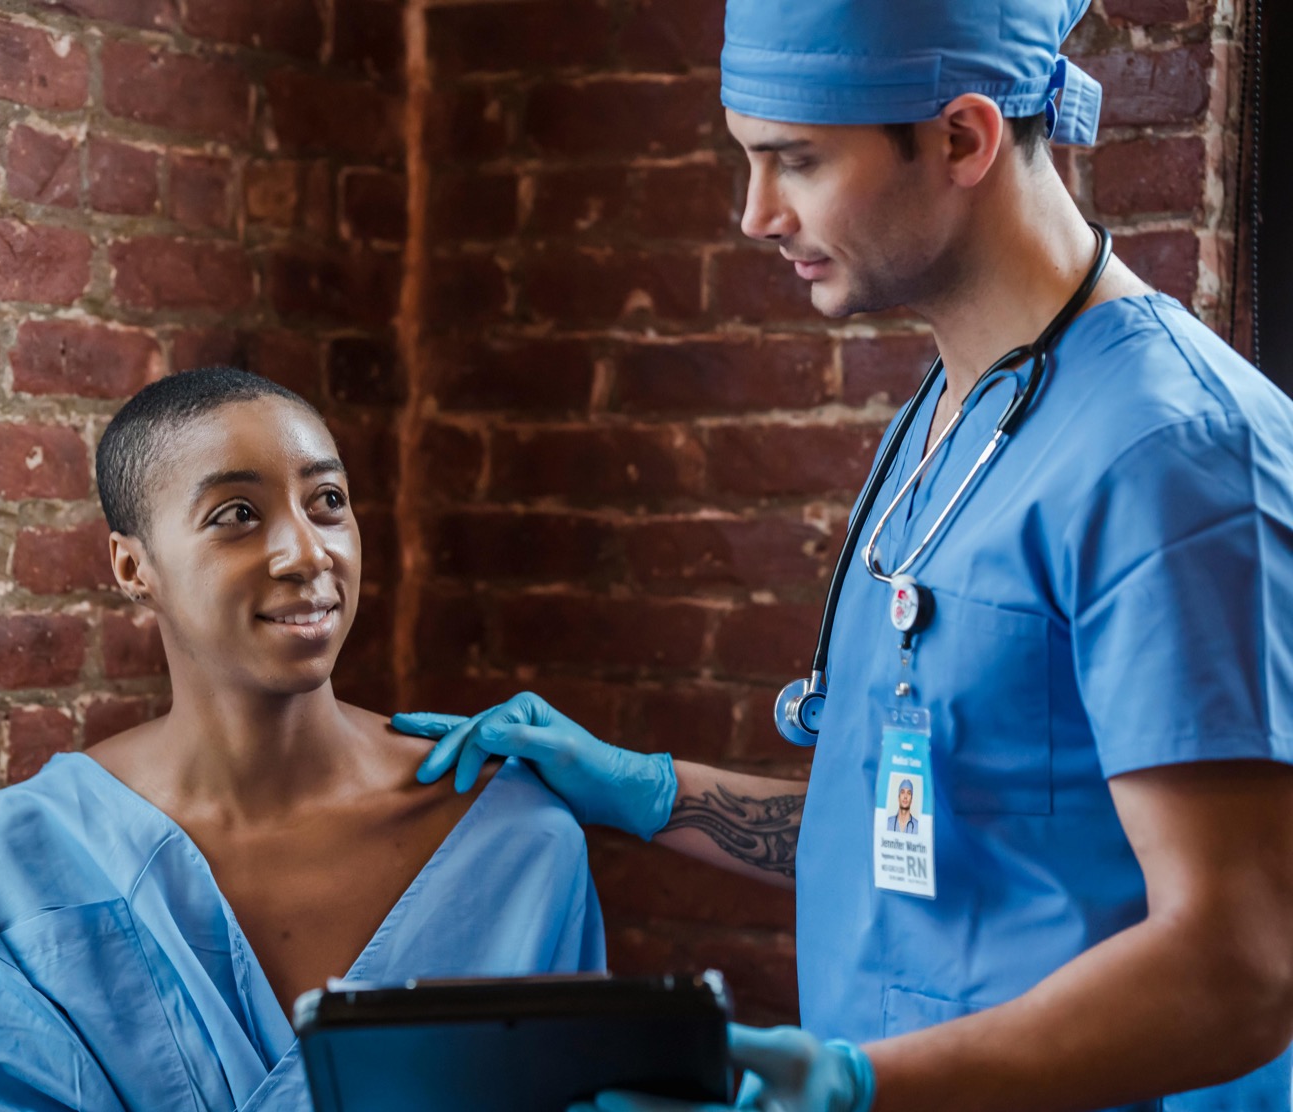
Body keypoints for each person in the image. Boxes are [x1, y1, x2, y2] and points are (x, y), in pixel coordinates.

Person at [393, 1, 1293, 1109]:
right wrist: (646, 792)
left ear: (962, 138)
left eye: (796, 162)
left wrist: (865, 1085)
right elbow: (931, 828)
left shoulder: (1172, 453)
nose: (753, 214)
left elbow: (1242, 964)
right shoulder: (952, 413)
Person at [0, 368, 605, 1111]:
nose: (307, 553)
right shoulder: (8, 865)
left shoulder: (517, 842)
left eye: (327, 502)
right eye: (236, 513)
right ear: (134, 567)